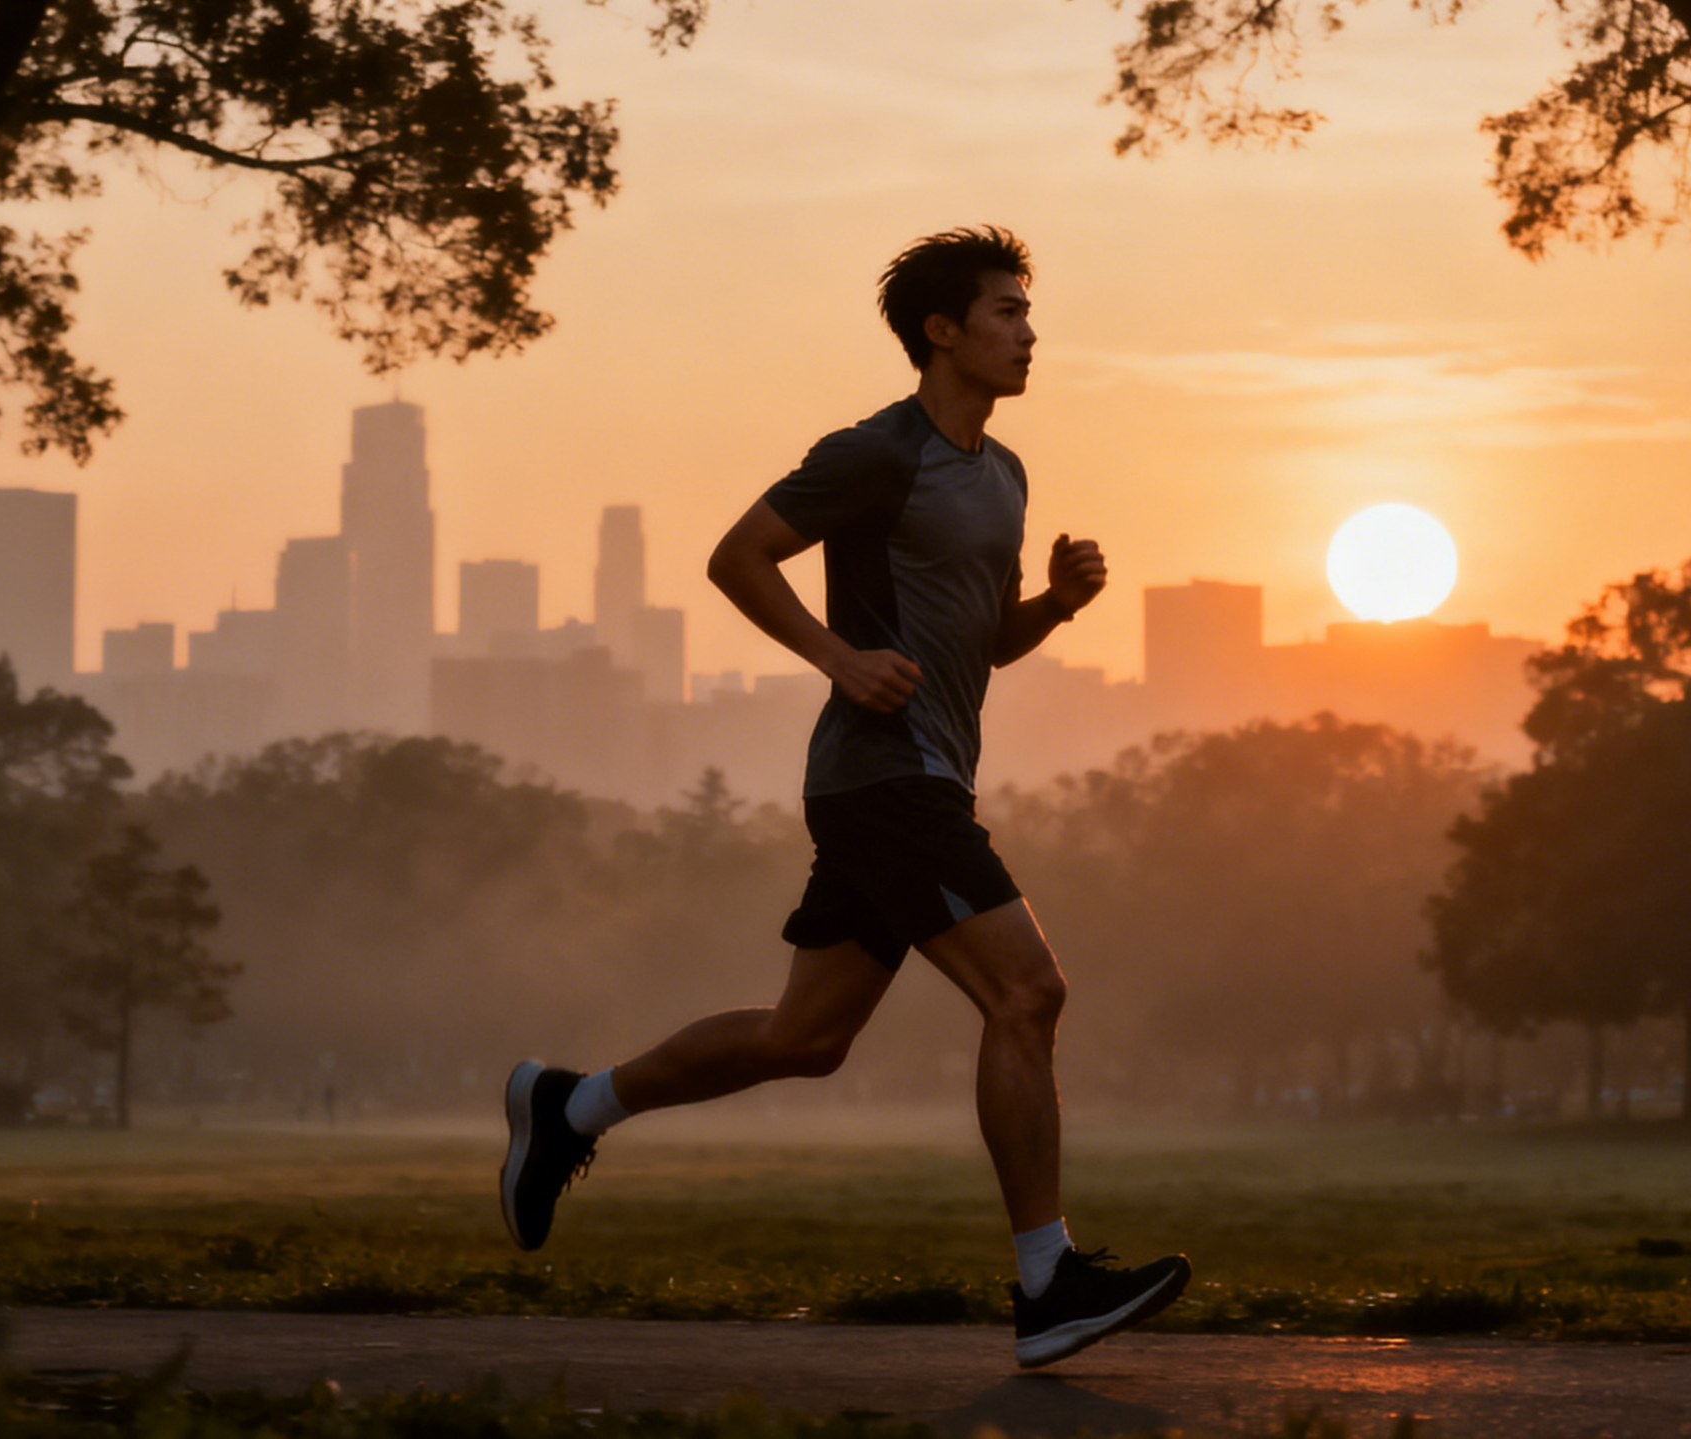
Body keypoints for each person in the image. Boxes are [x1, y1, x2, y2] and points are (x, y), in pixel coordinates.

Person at [500, 226, 1189, 1368]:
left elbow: (982, 645)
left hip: (912, 775)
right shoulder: (877, 452)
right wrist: (837, 658)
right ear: (942, 331)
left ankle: (568, 1106)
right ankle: (1047, 1280)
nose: (1029, 332)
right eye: (1007, 312)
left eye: (1027, 311)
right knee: (1028, 993)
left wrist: (1057, 606)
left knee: (803, 1036)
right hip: (884, 779)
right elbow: (737, 556)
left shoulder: (1002, 473)